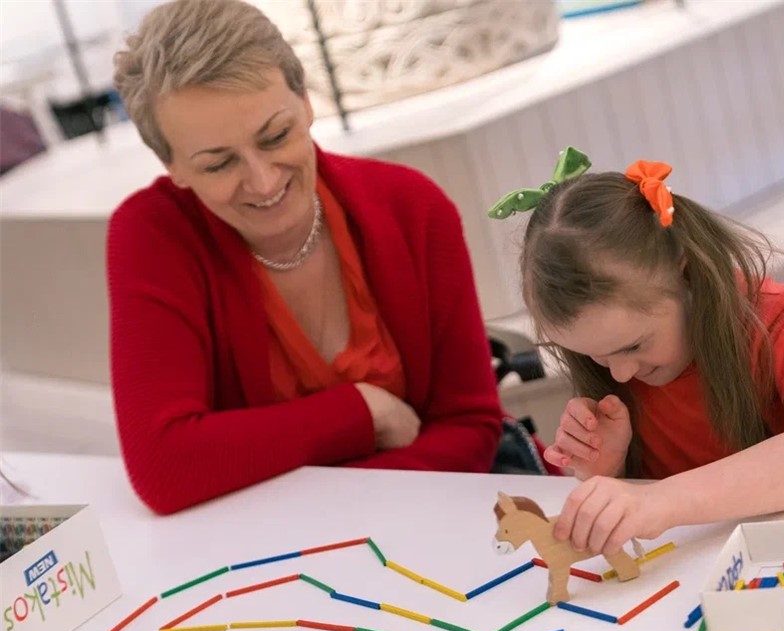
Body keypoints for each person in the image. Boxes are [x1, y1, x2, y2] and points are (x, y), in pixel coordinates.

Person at [107, 0, 504, 515]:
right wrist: (364, 412)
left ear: (307, 102)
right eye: (218, 164)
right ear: (173, 167)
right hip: (284, 547)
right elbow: (164, 465)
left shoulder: (412, 207)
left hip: (427, 521)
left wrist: (322, 501)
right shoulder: (153, 234)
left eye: (276, 136)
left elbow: (472, 428)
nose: (262, 181)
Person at [488, 146, 784, 556]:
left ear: (685, 271)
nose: (620, 373)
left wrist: (658, 501)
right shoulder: (623, 358)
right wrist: (611, 469)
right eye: (597, 357)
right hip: (711, 561)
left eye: (634, 345)